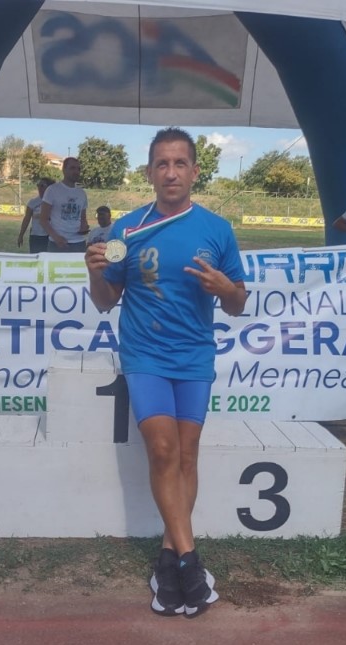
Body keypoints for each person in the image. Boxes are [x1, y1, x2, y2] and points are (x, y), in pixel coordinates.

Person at [84, 127, 247, 618]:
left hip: (194, 357)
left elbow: (238, 305)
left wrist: (225, 288)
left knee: (187, 456)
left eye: (180, 163)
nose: (171, 172)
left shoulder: (217, 230)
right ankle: (191, 563)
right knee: (161, 450)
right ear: (150, 173)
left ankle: (167, 560)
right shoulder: (127, 230)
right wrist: (94, 272)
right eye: (162, 164)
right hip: (146, 354)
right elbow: (105, 302)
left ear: (195, 172)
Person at [40, 157, 89, 252]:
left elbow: (83, 218)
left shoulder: (82, 193)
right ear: (64, 170)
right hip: (57, 243)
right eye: (72, 168)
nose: (76, 172)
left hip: (78, 242)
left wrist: (84, 226)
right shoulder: (52, 190)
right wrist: (56, 237)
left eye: (78, 169)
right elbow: (43, 219)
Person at [17, 177, 53, 253]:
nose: (39, 188)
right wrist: (21, 235)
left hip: (49, 236)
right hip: (35, 236)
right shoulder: (32, 202)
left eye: (42, 186)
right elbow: (26, 219)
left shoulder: (53, 202)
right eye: (38, 185)